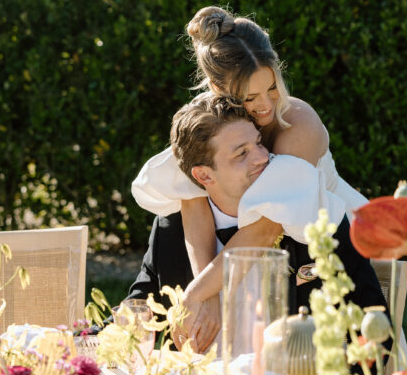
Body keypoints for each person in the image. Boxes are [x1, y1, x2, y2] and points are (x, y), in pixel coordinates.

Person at [131, 5, 365, 348]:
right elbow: (194, 200)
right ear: (217, 87)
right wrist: (209, 293)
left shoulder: (298, 125)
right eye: (250, 97)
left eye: (272, 87)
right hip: (251, 251)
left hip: (334, 238)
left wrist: (198, 293)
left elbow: (268, 226)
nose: (266, 105)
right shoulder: (213, 120)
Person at [128, 92, 386, 350]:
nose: (262, 157)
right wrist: (108, 336)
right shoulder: (171, 229)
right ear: (204, 176)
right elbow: (133, 314)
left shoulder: (315, 215)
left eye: (259, 143)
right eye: (241, 153)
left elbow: (375, 332)